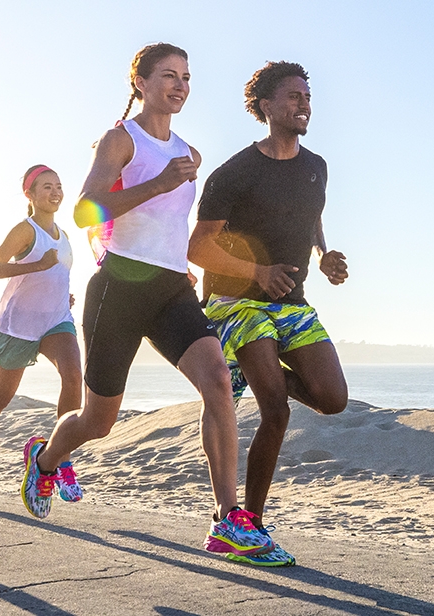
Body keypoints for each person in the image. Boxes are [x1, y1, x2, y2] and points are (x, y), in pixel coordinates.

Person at [20, 43, 273, 559]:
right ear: (140, 82)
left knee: (219, 382)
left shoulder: (189, 152)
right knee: (99, 420)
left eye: (186, 76)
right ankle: (45, 460)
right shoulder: (121, 141)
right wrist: (158, 183)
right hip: (119, 286)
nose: (179, 84)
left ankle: (227, 518)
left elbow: (177, 226)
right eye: (168, 75)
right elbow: (87, 211)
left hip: (171, 288)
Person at [188, 61, 351, 567]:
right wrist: (257, 273)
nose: (303, 104)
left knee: (332, 398)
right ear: (265, 106)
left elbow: (312, 215)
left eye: (307, 95)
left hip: (291, 302)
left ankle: (249, 367)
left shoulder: (316, 165)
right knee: (275, 408)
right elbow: (197, 247)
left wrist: (324, 255)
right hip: (235, 301)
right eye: (292, 96)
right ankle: (246, 525)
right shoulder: (234, 173)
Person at [0, 165, 84, 503]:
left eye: (59, 186)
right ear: (29, 195)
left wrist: (62, 293)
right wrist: (36, 267)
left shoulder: (64, 234)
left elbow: (57, 274)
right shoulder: (24, 230)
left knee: (74, 377)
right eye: (47, 187)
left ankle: (60, 460)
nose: (55, 192)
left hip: (56, 320)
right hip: (19, 325)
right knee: (1, 396)